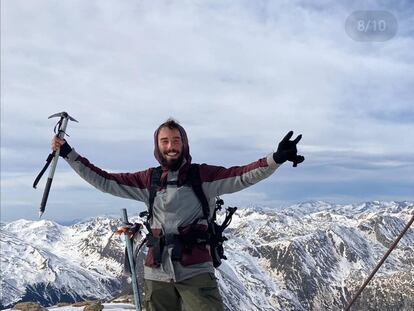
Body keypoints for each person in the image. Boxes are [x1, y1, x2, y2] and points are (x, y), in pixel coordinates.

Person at [51, 118, 304, 311]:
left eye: (175, 141)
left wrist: (276, 159)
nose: (170, 146)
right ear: (157, 146)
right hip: (156, 273)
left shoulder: (203, 177)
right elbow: (104, 180)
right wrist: (69, 155)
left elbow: (243, 175)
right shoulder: (147, 180)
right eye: (165, 141)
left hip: (195, 271)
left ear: (184, 144)